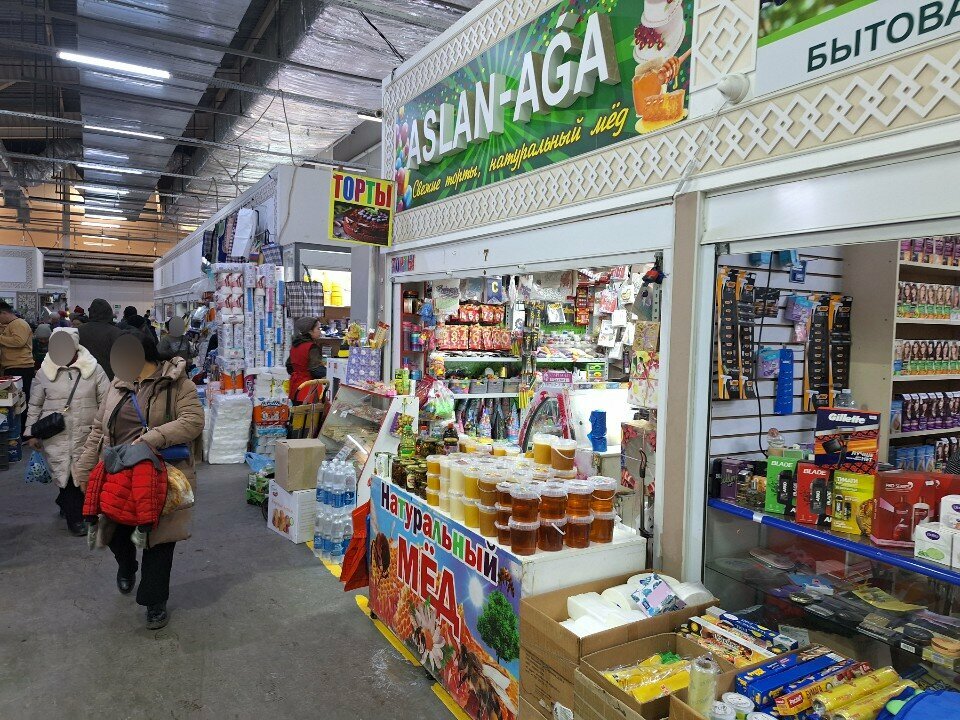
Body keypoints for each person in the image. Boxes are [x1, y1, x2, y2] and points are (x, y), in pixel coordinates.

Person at [73, 333, 203, 629]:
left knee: (159, 541)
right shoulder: (117, 386)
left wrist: (149, 439)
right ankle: (127, 565)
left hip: (161, 475)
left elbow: (193, 421)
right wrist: (83, 469)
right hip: (118, 472)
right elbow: (98, 429)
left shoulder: (179, 384)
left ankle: (154, 601)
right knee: (116, 532)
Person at [25, 328, 109, 535]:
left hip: (87, 433)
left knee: (80, 475)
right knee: (64, 474)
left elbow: (107, 401)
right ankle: (74, 516)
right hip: (55, 435)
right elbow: (35, 404)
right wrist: (30, 432)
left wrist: (106, 429)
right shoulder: (44, 372)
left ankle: (73, 513)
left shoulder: (94, 370)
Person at [0, 300, 36, 426]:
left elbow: (19, 341)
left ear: (4, 313)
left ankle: (24, 430)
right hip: (12, 367)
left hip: (21, 368)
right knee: (13, 402)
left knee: (21, 402)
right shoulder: (10, 324)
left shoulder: (19, 323)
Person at [78, 298, 124, 380]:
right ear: (109, 312)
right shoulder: (116, 332)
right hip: (109, 378)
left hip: (82, 379)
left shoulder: (78, 331)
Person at [286, 317, 326, 404]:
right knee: (309, 416)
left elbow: (289, 366)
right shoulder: (312, 347)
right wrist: (328, 373)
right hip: (308, 388)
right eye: (318, 328)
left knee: (297, 415)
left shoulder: (295, 345)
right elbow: (315, 370)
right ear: (310, 331)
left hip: (295, 386)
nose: (320, 331)